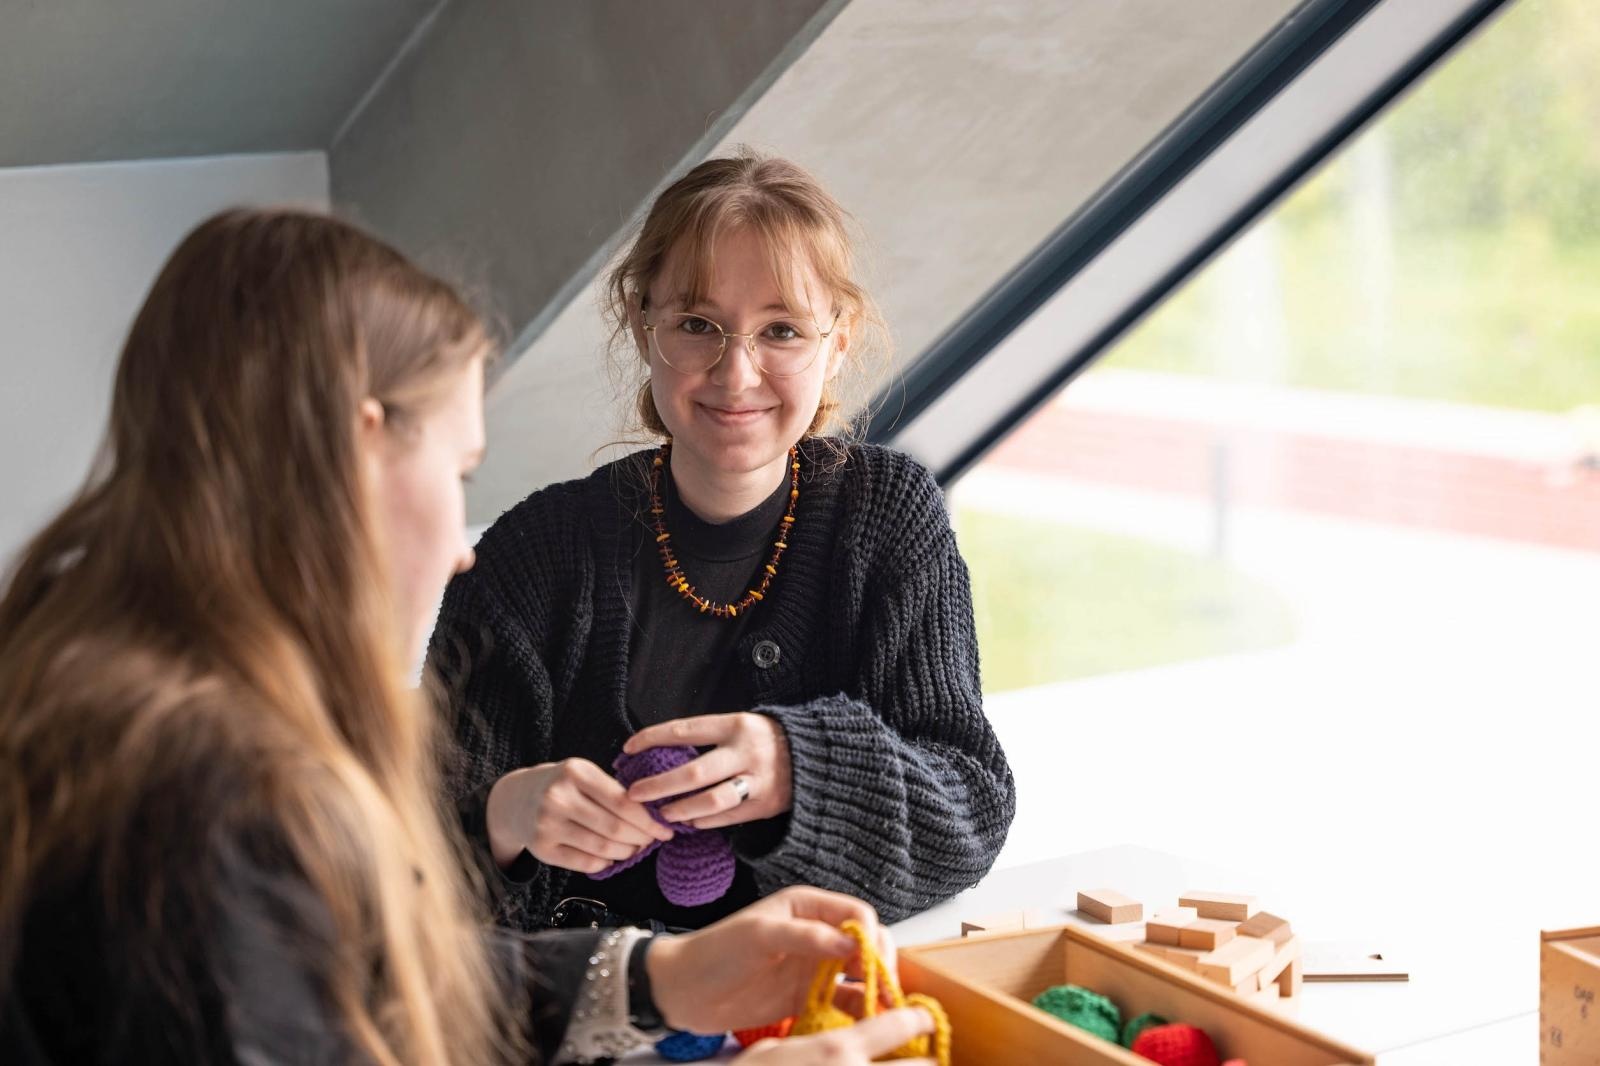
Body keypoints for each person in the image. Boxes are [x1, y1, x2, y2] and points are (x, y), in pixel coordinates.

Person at [0, 209, 934, 1065]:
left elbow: (363, 984)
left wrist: (654, 982)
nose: (458, 549)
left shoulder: (122, 676)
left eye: (781, 328)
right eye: (457, 473)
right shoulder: (204, 793)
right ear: (360, 452)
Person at [429, 151, 1015, 935]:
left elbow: (970, 808)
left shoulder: (889, 519)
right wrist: (505, 817)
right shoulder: (537, 554)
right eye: (697, 325)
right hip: (595, 1020)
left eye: (781, 331)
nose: (736, 374)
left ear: (836, 344)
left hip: (811, 1019)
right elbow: (401, 849)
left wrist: (799, 770)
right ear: (643, 325)